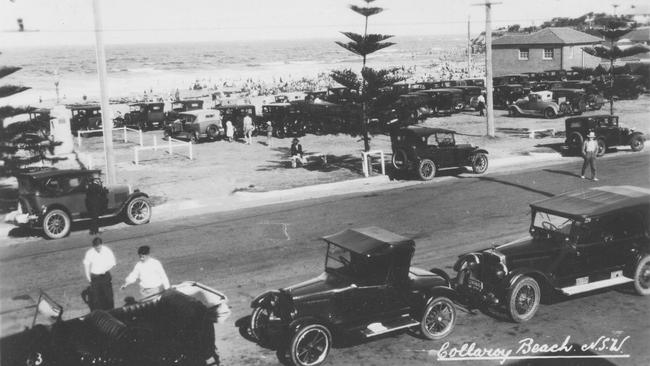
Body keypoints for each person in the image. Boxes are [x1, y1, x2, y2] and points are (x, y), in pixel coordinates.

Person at [83, 237, 116, 310]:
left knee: (109, 297)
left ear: (101, 245)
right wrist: (88, 278)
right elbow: (86, 265)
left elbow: (113, 263)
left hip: (105, 276)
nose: (98, 249)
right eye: (96, 248)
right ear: (93, 246)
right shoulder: (90, 253)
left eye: (99, 247)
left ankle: (111, 312)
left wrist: (105, 269)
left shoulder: (107, 250)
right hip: (95, 277)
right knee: (96, 299)